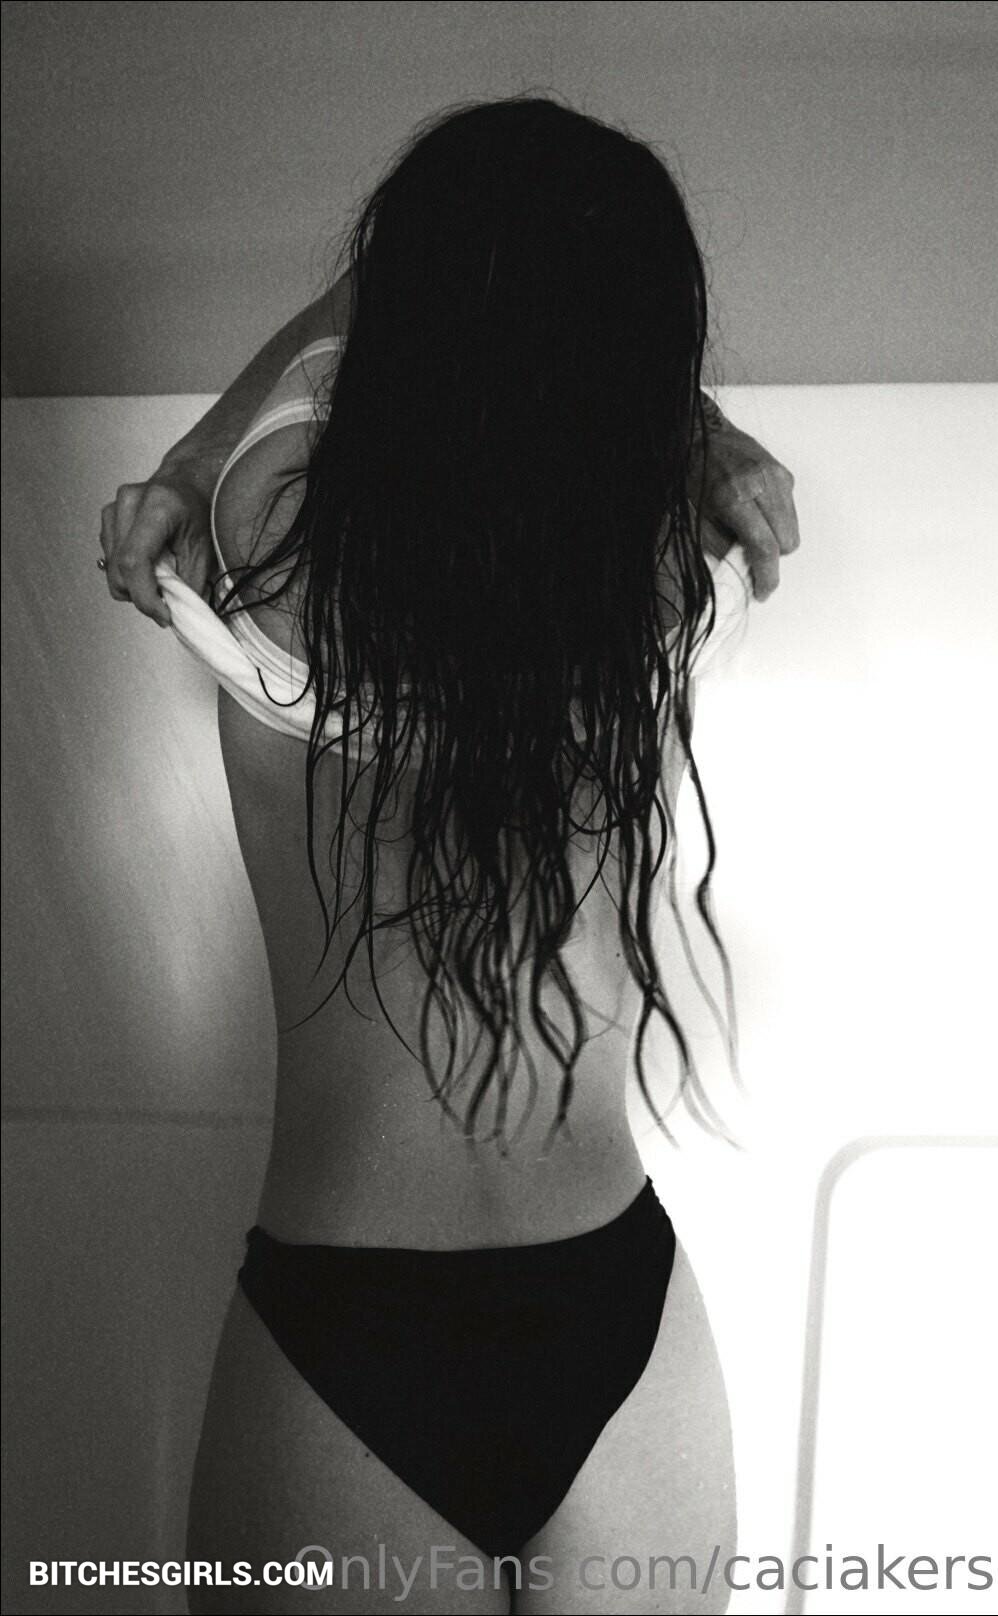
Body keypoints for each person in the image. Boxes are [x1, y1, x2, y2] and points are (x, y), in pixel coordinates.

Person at [99, 97, 799, 1616]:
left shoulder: (568, 541)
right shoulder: (281, 518)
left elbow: (427, 309)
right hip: (351, 1332)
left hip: (615, 1311)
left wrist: (708, 432)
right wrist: (191, 452)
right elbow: (408, 315)